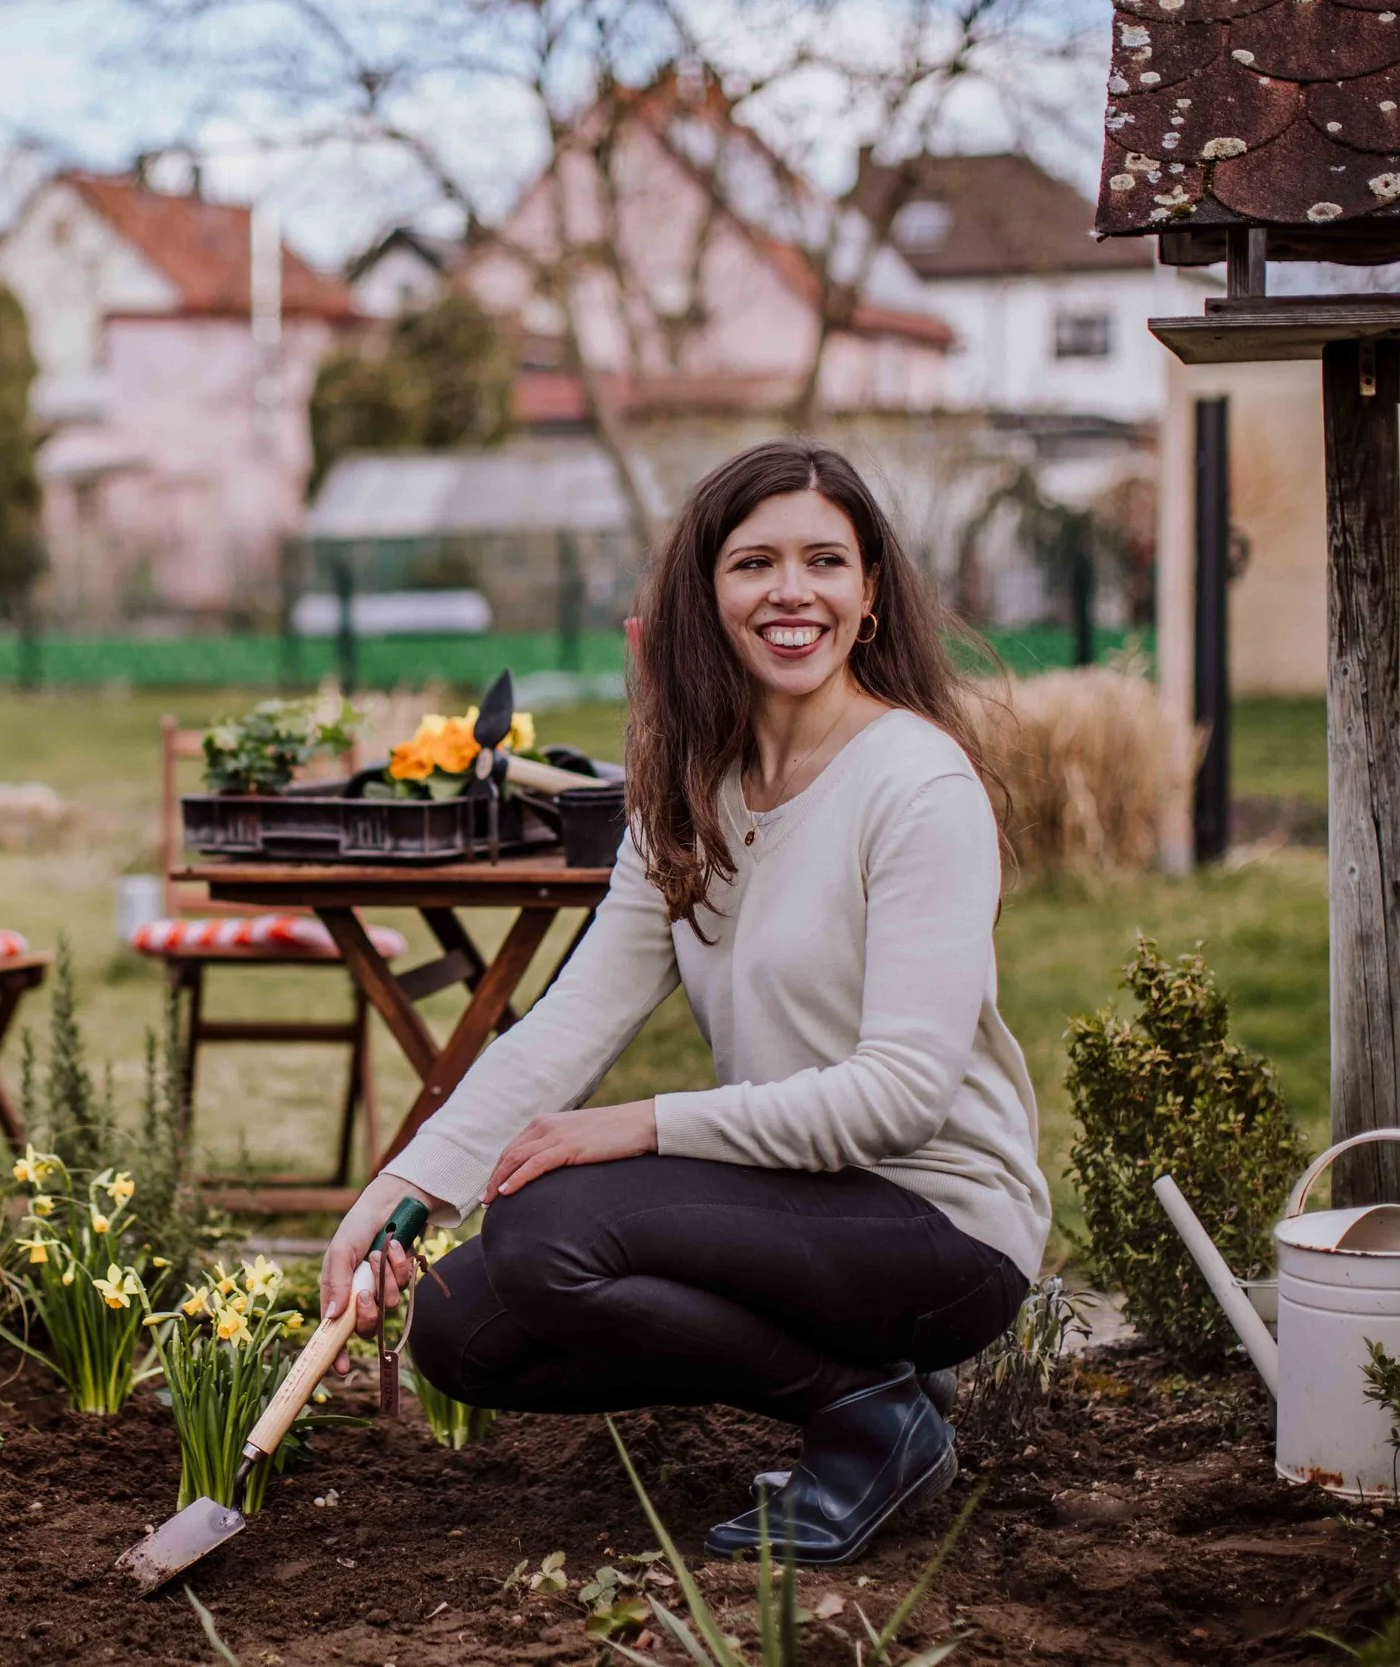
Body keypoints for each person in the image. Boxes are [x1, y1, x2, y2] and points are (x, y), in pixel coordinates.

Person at [320, 440, 1048, 1566]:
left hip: (939, 1220)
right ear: (707, 597)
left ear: (866, 599)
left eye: (824, 561)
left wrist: (639, 1122)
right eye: (754, 562)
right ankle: (870, 1393)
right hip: (794, 1206)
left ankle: (869, 1415)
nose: (790, 590)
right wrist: (403, 1185)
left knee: (549, 1227)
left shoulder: (916, 784)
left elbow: (902, 1097)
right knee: (462, 1326)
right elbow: (566, 1023)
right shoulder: (690, 798)